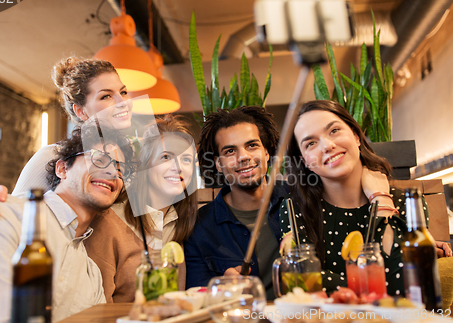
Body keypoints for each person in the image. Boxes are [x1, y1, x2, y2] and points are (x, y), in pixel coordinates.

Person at [0, 122, 134, 322]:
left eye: (120, 169)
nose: (112, 173)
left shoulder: (91, 272)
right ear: (62, 169)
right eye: (99, 159)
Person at [282, 99, 452, 295]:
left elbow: (404, 286)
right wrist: (373, 285)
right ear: (305, 161)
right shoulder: (294, 209)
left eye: (334, 130)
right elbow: (305, 282)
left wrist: (381, 200)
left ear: (355, 136)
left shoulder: (407, 202)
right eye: (311, 143)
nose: (327, 145)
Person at [0, 56, 133, 229]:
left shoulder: (126, 160)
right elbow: (15, 213)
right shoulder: (53, 155)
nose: (122, 102)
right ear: (80, 111)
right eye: (106, 96)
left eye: (123, 92)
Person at [86, 115, 198, 302]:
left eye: (186, 159)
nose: (177, 167)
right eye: (166, 157)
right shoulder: (109, 222)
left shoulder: (180, 224)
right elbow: (95, 310)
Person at [184, 106, 287, 300]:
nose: (243, 157)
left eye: (252, 146)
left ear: (266, 152)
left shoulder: (299, 201)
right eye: (230, 151)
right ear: (218, 164)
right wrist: (221, 290)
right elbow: (197, 300)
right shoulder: (199, 229)